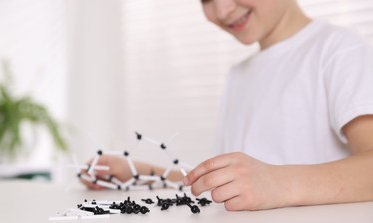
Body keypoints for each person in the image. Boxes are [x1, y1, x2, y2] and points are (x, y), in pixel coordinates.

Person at [82, 0, 373, 211]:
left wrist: (279, 183)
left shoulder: (338, 50)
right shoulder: (239, 76)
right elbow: (230, 183)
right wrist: (140, 173)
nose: (222, 10)